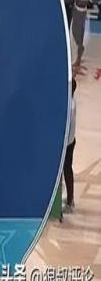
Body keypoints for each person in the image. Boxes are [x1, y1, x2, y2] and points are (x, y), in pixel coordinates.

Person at [63, 79, 77, 214]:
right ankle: (69, 199)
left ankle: (70, 202)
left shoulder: (69, 107)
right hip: (70, 141)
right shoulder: (71, 102)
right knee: (67, 170)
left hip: (67, 144)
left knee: (67, 170)